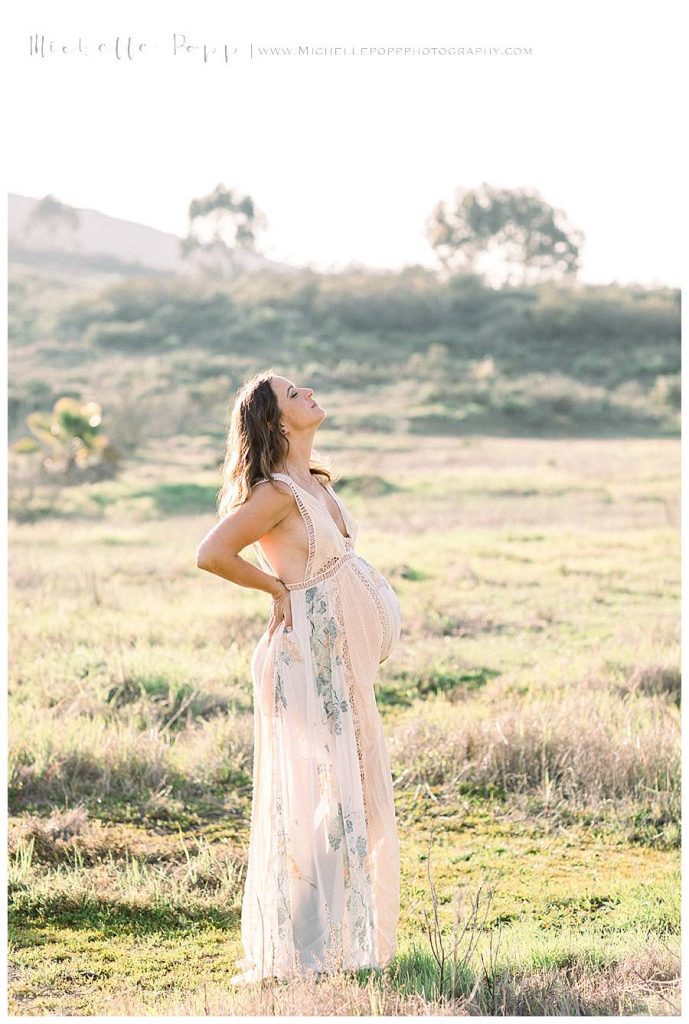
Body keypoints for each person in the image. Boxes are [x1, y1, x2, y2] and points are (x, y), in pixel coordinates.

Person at [196, 369, 402, 985]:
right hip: (307, 662)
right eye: (293, 394)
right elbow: (212, 552)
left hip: (341, 665)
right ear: (277, 422)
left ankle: (331, 940)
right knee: (330, 796)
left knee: (353, 797)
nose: (307, 392)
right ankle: (304, 947)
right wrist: (273, 586)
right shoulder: (277, 494)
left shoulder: (312, 481)